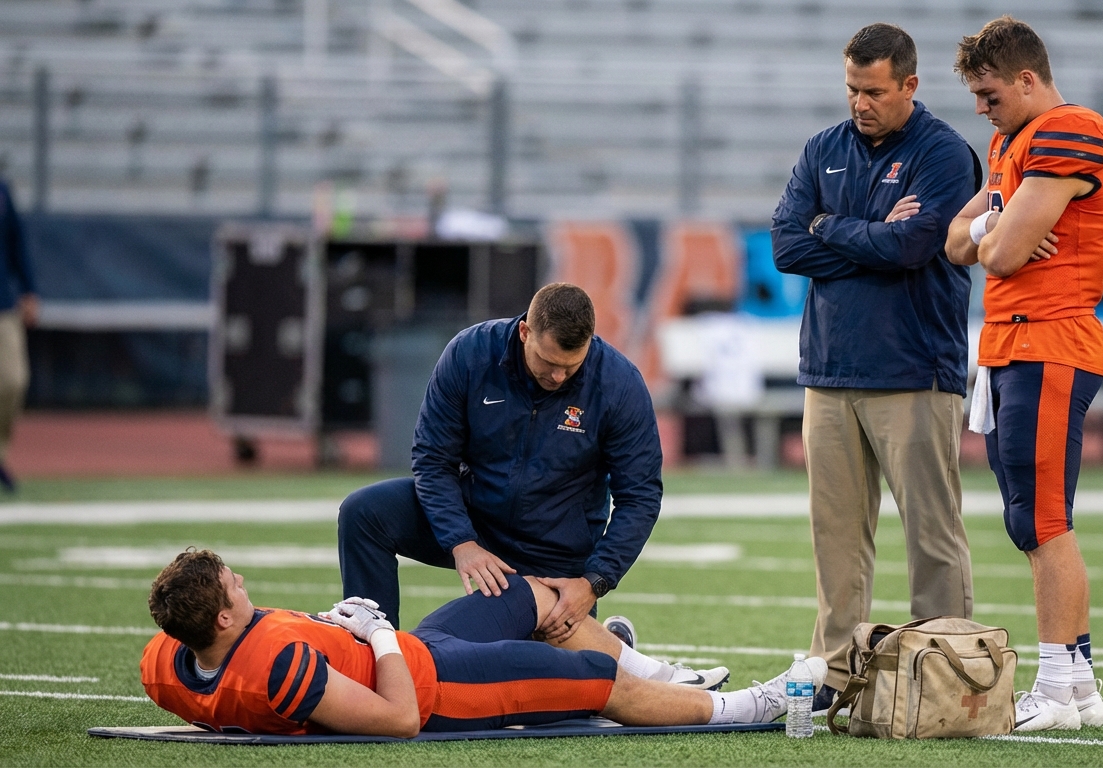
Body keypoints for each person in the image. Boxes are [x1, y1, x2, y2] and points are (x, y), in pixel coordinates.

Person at [336, 284, 713, 683]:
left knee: (548, 688)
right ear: (524, 333)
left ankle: (608, 645)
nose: (557, 374)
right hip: (476, 516)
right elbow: (432, 458)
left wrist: (593, 581)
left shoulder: (619, 384)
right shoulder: (471, 353)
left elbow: (640, 496)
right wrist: (461, 542)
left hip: (555, 548)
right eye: (548, 361)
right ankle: (373, 662)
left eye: (571, 366)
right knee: (365, 512)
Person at [770, 22, 981, 711]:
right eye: (853, 89)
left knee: (931, 532)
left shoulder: (945, 154)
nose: (861, 103)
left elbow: (917, 246)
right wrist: (868, 234)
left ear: (910, 86)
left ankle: (945, 672)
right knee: (835, 537)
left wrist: (832, 227)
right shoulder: (821, 148)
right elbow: (786, 246)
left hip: (914, 370)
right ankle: (835, 673)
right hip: (829, 372)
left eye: (875, 91)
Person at [141, 549, 827, 736]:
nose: (242, 582)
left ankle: (659, 672)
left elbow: (216, 681)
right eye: (232, 587)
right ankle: (753, 705)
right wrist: (376, 635)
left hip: (418, 650)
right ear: (224, 621)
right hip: (439, 687)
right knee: (595, 678)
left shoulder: (172, 660)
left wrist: (358, 637)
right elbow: (399, 719)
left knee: (522, 593)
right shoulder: (273, 667)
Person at [944, 15, 1103, 732]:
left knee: (1045, 520)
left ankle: (1055, 684)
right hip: (1013, 345)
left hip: (1050, 340)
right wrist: (997, 224)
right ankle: (1077, 685)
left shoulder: (1068, 128)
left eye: (990, 94)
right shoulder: (1010, 141)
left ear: (1026, 78)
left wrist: (998, 232)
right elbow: (960, 241)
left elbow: (1004, 256)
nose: (983, 109)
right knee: (1029, 517)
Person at [0, 176, 38, 493]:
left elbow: (16, 241)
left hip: (2, 304)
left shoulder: (1, 190)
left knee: (14, 380)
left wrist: (28, 290)